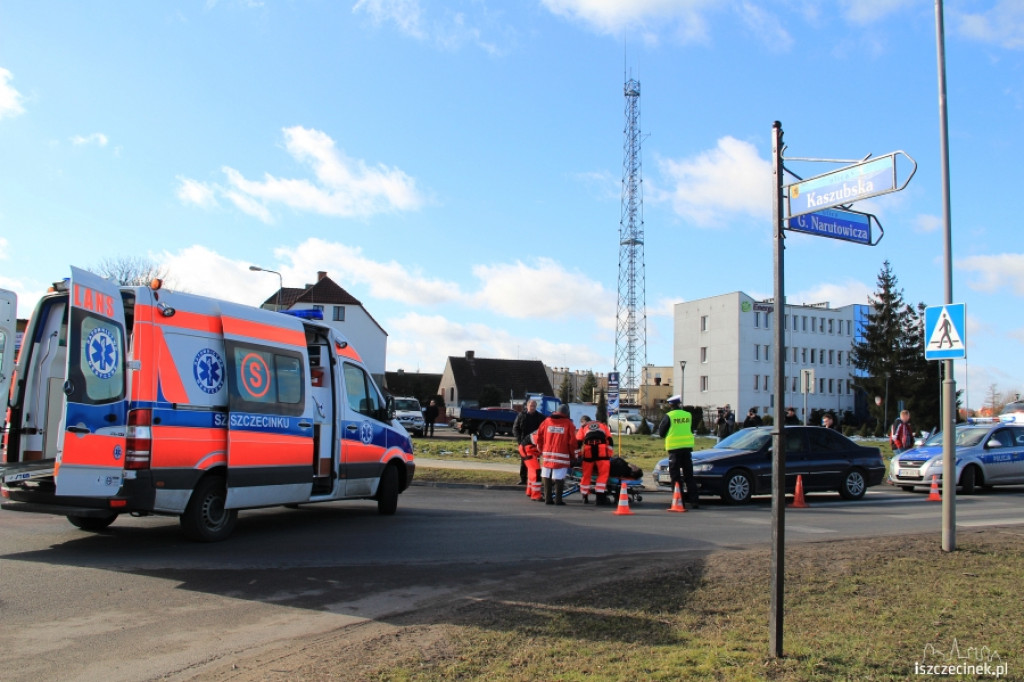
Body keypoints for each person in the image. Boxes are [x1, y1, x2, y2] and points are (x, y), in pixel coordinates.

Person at [658, 395, 698, 510]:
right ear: (679, 404)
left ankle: (679, 500)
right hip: (687, 448)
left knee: (675, 477)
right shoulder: (688, 415)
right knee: (689, 476)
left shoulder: (669, 416)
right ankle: (694, 501)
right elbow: (691, 429)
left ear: (670, 405)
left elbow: (661, 432)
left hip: (674, 450)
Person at [535, 403, 578, 506]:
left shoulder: (547, 421)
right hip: (561, 455)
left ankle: (548, 498)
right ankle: (558, 500)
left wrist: (540, 449)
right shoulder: (568, 424)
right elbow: (572, 442)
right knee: (559, 477)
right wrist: (574, 456)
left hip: (547, 454)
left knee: (546, 475)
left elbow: (539, 436)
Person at [577, 415, 614, 506]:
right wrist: (608, 454)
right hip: (601, 450)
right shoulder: (602, 425)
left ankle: (585, 496)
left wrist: (578, 455)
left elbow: (578, 441)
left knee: (586, 474)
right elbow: (609, 439)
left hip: (588, 450)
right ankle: (600, 498)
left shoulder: (583, 427)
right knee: (603, 473)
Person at [513, 399, 546, 486]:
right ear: (527, 406)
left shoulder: (540, 417)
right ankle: (523, 479)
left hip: (535, 444)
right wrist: (520, 441)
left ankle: (535, 479)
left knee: (535, 462)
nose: (532, 408)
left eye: (534, 406)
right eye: (531, 406)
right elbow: (515, 428)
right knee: (524, 461)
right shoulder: (521, 416)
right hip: (523, 442)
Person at [520, 433, 543, 501]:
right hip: (528, 451)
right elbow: (541, 447)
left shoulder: (542, 432)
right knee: (536, 472)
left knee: (532, 472)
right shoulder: (542, 435)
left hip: (527, 450)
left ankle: (529, 491)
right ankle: (536, 495)